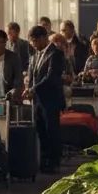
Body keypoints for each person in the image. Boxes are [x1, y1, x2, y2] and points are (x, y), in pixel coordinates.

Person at [24, 25, 65, 172]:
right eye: (31, 42)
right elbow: (32, 76)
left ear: (43, 38)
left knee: (52, 130)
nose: (33, 44)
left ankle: (54, 162)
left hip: (50, 100)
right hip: (37, 100)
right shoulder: (34, 55)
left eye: (34, 41)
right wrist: (28, 88)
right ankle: (44, 160)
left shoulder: (56, 54)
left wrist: (33, 89)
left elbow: (51, 78)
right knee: (41, 131)